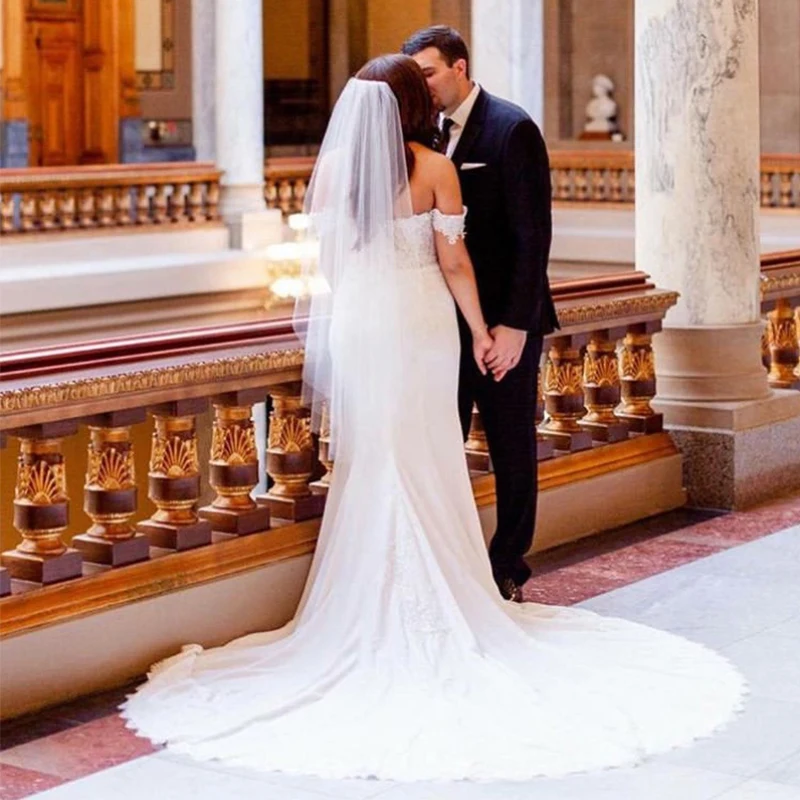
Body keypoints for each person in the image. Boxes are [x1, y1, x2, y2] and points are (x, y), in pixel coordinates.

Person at [120, 55, 744, 783]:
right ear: (417, 103)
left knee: (372, 456)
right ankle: (455, 590)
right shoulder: (433, 168)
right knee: (424, 451)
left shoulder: (347, 177)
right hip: (419, 325)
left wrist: (363, 304)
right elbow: (453, 263)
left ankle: (359, 604)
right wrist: (481, 329)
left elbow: (331, 259)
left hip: (364, 327)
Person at [402, 26, 558, 602]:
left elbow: (532, 235)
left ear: (459, 67)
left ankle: (507, 567)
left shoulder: (510, 127)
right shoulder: (417, 136)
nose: (421, 86)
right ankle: (455, 566)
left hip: (504, 324)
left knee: (511, 446)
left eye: (428, 73)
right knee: (442, 444)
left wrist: (514, 326)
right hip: (442, 326)